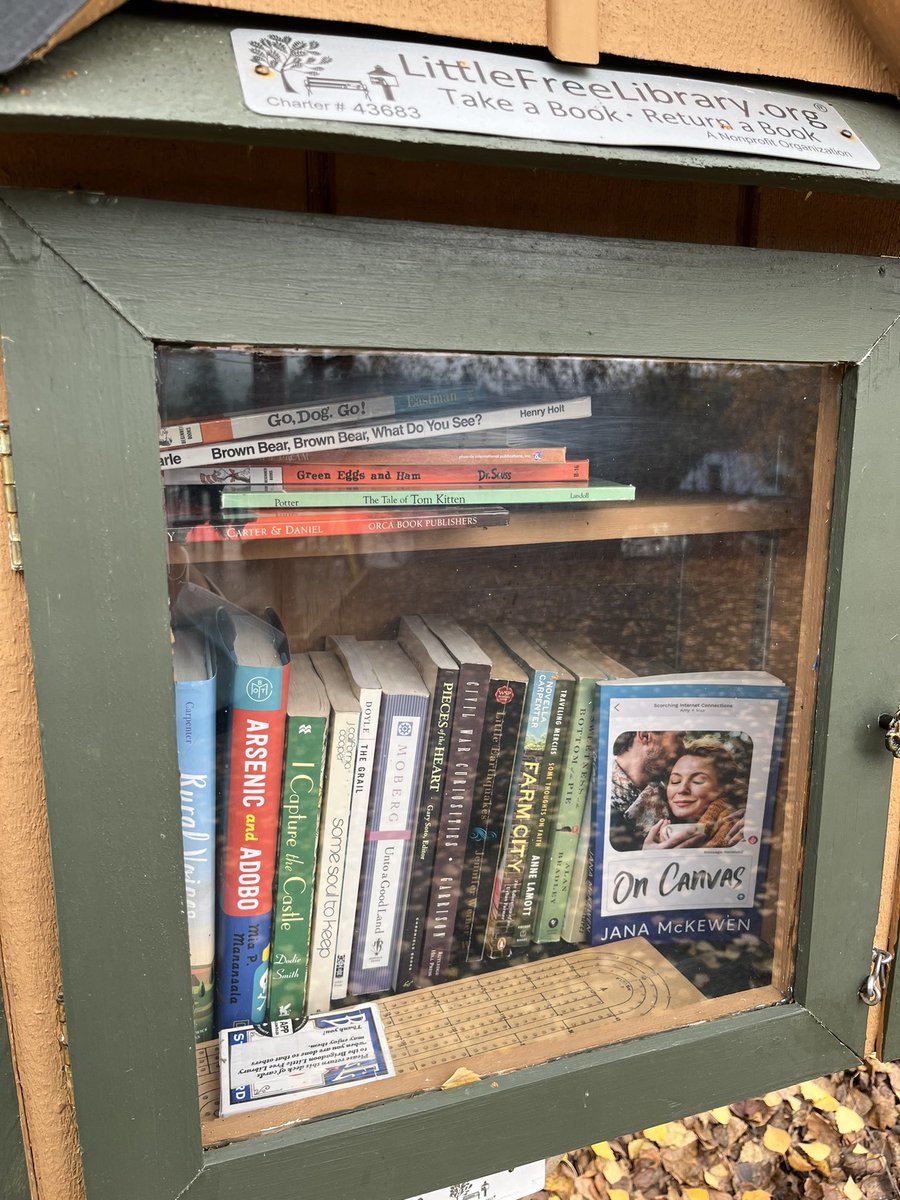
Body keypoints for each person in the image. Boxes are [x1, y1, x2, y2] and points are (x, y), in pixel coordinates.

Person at [641, 737, 746, 850]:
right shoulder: (653, 828)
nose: (682, 789)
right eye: (675, 781)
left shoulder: (740, 829)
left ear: (724, 787)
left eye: (698, 781)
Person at [608, 729, 685, 852]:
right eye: (679, 737)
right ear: (645, 736)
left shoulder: (677, 798)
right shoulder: (600, 805)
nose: (683, 747)